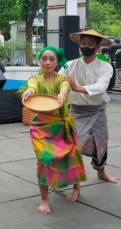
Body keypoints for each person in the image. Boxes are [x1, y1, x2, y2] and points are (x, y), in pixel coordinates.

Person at [22, 46, 87, 214]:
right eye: (44, 58)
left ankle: (76, 188)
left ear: (57, 62)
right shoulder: (36, 79)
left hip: (62, 124)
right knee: (43, 160)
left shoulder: (62, 79)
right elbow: (32, 86)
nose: (48, 62)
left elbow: (65, 87)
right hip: (41, 127)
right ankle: (44, 199)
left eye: (52, 59)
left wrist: (63, 94)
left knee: (71, 158)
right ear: (40, 60)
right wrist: (29, 92)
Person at [60, 29, 117, 183]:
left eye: (90, 44)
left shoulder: (106, 67)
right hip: (77, 112)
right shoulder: (69, 65)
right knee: (74, 146)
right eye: (83, 43)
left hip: (97, 110)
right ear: (79, 46)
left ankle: (101, 172)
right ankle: (73, 182)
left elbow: (101, 87)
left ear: (97, 48)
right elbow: (57, 81)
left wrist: (77, 87)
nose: (86, 46)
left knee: (101, 143)